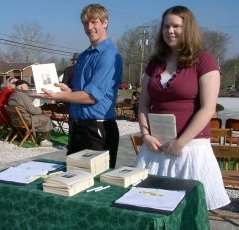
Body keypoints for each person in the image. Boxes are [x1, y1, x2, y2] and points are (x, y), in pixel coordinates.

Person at [134, 5, 230, 210]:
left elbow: (208, 108)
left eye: (176, 26)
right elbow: (143, 104)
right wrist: (145, 135)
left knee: (188, 211)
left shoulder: (204, 61)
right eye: (166, 26)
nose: (170, 31)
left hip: (189, 149)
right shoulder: (155, 62)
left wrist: (180, 143)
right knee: (149, 206)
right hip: (155, 149)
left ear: (188, 29)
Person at [30, 4, 123, 168]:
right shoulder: (84, 56)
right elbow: (83, 93)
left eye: (94, 22)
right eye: (86, 24)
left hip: (97, 128)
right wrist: (69, 91)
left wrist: (60, 96)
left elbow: (91, 96)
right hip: (77, 127)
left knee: (96, 186)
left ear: (105, 23)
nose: (89, 27)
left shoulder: (109, 55)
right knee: (71, 178)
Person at [8, 80, 53, 147]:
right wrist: (41, 110)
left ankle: (32, 137)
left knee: (42, 117)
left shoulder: (13, 95)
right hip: (26, 120)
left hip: (16, 121)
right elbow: (32, 110)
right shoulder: (22, 95)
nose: (28, 87)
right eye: (26, 86)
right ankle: (43, 140)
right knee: (46, 119)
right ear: (21, 86)